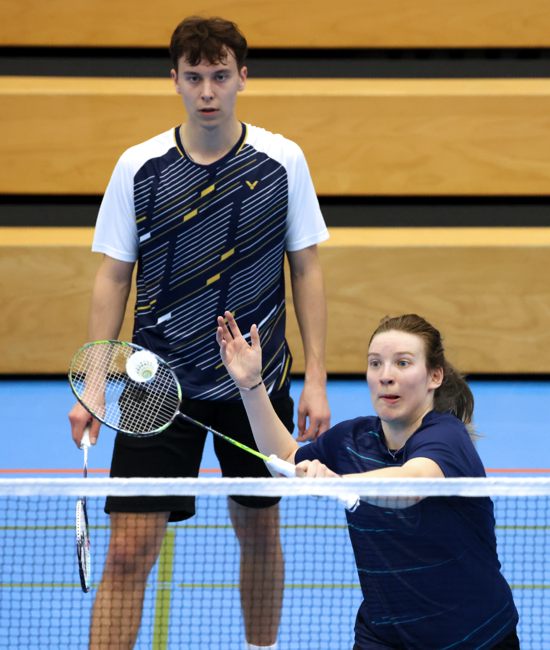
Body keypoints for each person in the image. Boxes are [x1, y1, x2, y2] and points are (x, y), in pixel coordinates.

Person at [68, 15, 331, 650]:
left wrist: (318, 377)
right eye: (194, 77)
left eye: (219, 75)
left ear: (243, 76)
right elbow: (113, 276)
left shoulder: (282, 160)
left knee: (259, 531)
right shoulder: (140, 165)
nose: (208, 90)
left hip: (255, 387)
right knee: (129, 551)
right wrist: (96, 383)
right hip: (155, 386)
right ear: (175, 81)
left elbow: (307, 268)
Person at [216, 311, 520, 650]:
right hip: (384, 635)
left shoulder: (447, 437)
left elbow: (409, 485)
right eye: (375, 364)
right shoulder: (352, 439)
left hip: (473, 637)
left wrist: (337, 482)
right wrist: (250, 385)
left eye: (402, 363)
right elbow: (285, 461)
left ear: (434, 376)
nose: (385, 376)